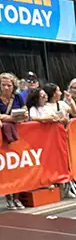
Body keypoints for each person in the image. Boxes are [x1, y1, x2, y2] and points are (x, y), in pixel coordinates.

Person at [0, 72, 27, 210]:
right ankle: (8, 198)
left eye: (9, 85)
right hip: (3, 139)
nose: (6, 88)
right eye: (3, 85)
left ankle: (17, 198)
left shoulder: (17, 97)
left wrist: (23, 114)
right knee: (6, 169)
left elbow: (24, 109)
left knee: (18, 168)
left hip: (19, 136)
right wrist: (9, 118)